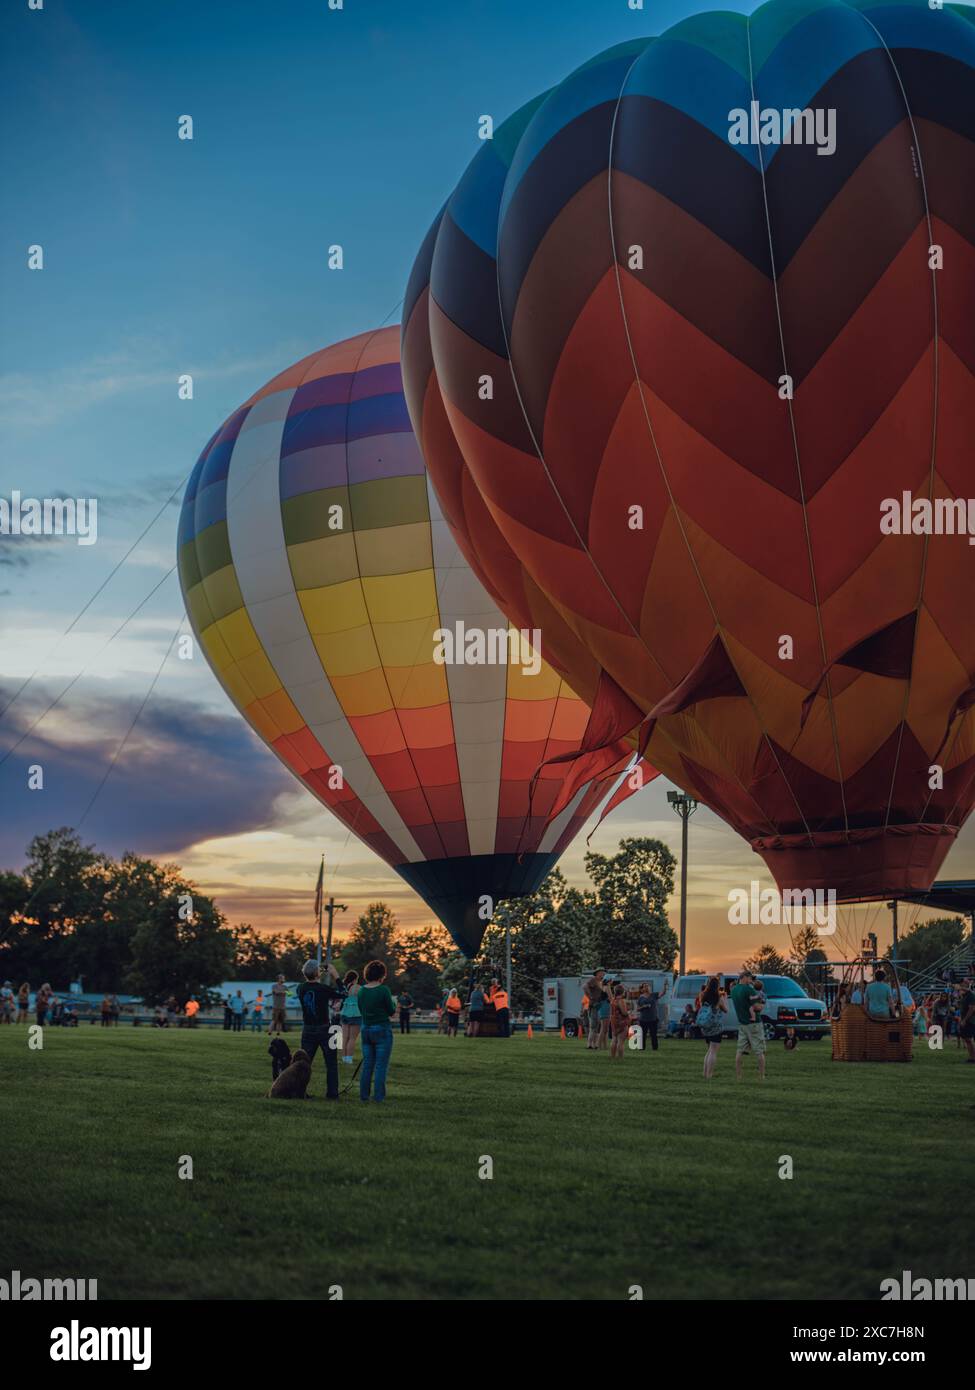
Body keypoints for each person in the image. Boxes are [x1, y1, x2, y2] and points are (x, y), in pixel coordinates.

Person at [296, 959, 347, 1100]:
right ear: (318, 973)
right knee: (331, 1063)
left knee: (303, 1064)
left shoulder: (300, 988)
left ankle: (300, 1092)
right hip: (326, 1029)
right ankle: (332, 1094)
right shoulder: (323, 989)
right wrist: (335, 975)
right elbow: (344, 993)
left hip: (307, 1030)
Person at [358, 959, 396, 1103]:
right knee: (380, 1066)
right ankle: (378, 1097)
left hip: (366, 1029)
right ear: (382, 974)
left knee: (368, 1065)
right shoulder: (383, 990)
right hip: (382, 1029)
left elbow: (362, 1010)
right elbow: (391, 1011)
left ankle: (364, 1096)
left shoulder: (361, 991)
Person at [730, 970, 766, 1080]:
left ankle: (739, 1075)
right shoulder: (749, 990)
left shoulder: (734, 990)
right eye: (750, 978)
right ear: (744, 977)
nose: (751, 980)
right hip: (754, 1024)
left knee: (739, 1051)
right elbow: (757, 1007)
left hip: (742, 1023)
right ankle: (761, 1075)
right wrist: (763, 1005)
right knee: (759, 1051)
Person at [696, 976, 728, 1080]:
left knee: (709, 1050)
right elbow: (726, 1010)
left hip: (705, 1026)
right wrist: (725, 998)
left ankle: (704, 1073)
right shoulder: (718, 997)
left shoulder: (703, 995)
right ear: (718, 986)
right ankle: (709, 1075)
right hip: (715, 1027)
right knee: (713, 1051)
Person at [583, 968, 607, 1049]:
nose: (603, 974)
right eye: (601, 973)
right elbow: (585, 986)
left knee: (596, 1025)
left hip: (599, 1005)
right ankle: (589, 1044)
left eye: (603, 973)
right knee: (593, 1025)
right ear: (597, 973)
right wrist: (590, 996)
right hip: (593, 1005)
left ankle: (594, 1044)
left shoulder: (600, 982)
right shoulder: (593, 980)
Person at [340, 971, 362, 1063]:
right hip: (355, 1014)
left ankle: (344, 1058)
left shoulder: (344, 986)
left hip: (344, 1012)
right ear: (355, 979)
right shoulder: (358, 987)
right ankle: (349, 1059)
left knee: (345, 1037)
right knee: (352, 1038)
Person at [609, 983, 631, 1060]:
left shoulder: (613, 1000)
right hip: (621, 1022)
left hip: (614, 1021)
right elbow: (624, 1012)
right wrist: (629, 1012)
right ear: (622, 992)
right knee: (621, 1041)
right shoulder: (620, 1001)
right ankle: (620, 1057)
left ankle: (612, 1056)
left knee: (614, 1039)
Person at [636, 983, 659, 1052]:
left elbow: (662, 993)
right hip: (643, 1019)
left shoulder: (653, 995)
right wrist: (644, 1007)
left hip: (653, 1018)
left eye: (648, 986)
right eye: (645, 986)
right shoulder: (640, 997)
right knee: (643, 1034)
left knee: (653, 1034)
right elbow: (637, 1009)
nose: (647, 987)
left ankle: (655, 1048)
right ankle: (642, 1048)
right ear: (642, 989)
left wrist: (665, 986)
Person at [958, 979, 975, 1062]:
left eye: (963, 984)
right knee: (967, 1039)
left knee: (968, 1039)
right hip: (965, 1020)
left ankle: (973, 1058)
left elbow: (972, 1009)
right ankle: (971, 1057)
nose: (961, 986)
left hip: (970, 1021)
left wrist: (964, 1020)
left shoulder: (971, 995)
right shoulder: (964, 995)